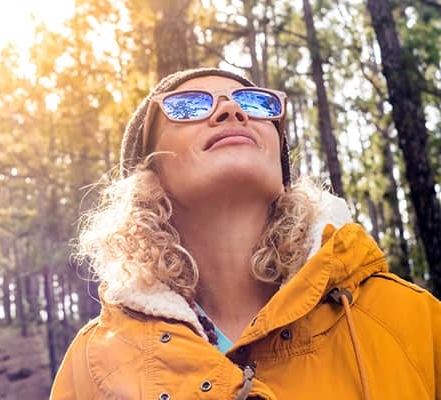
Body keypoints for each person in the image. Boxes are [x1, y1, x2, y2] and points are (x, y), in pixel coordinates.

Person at [49, 67, 441, 399]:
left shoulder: (414, 320)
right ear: (147, 176)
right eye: (190, 105)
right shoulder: (93, 364)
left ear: (281, 172)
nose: (232, 110)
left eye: (255, 104)